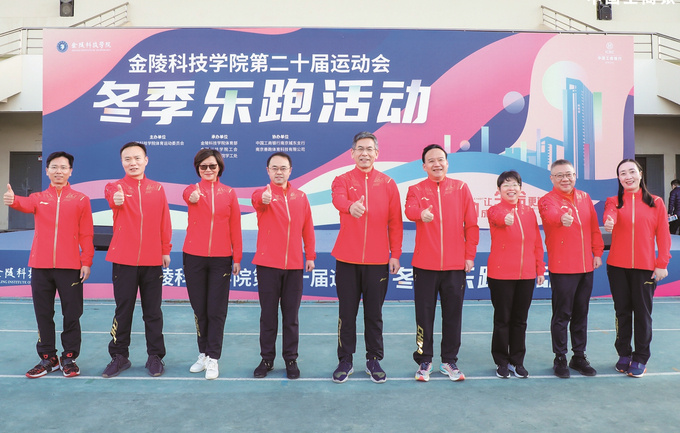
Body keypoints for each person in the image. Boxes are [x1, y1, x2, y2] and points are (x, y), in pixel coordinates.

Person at [4, 151, 94, 378]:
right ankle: (48, 358)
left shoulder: (81, 199)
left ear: (70, 171)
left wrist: (86, 261)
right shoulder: (38, 198)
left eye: (63, 167)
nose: (58, 171)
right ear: (47, 171)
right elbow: (24, 204)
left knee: (71, 314)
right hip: (40, 267)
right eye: (54, 167)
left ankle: (69, 357)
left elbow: (86, 234)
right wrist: (13, 200)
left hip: (70, 267)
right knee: (43, 314)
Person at [330, 131, 403, 384]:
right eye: (360, 149)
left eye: (369, 149)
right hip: (347, 259)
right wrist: (350, 206)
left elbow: (395, 222)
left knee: (374, 314)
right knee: (346, 312)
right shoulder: (342, 180)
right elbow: (338, 199)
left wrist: (395, 254)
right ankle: (345, 360)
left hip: (378, 261)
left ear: (377, 153)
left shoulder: (388, 183)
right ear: (352, 154)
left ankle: (374, 359)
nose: (364, 153)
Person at [404, 144, 479, 382]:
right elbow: (409, 210)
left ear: (447, 163)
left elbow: (472, 224)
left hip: (455, 266)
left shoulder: (461, 188)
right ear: (424, 166)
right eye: (431, 161)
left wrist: (469, 255)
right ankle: (423, 360)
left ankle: (449, 361)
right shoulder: (416, 189)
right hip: (425, 265)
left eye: (440, 160)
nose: (437, 164)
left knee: (453, 315)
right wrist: (421, 214)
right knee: (424, 316)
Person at [102, 142, 172, 378]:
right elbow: (112, 198)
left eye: (137, 158)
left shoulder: (157, 188)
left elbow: (164, 220)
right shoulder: (115, 187)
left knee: (153, 312)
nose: (133, 163)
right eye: (127, 159)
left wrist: (165, 249)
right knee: (123, 310)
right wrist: (116, 199)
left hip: (152, 260)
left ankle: (155, 356)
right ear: (122, 162)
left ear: (146, 160)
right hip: (124, 259)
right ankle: (119, 356)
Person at [603, 159, 672, 377]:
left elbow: (663, 235)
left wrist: (662, 264)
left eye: (632, 171)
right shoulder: (614, 201)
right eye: (623, 173)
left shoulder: (656, 202)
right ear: (619, 178)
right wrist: (609, 221)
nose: (628, 176)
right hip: (617, 268)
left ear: (640, 174)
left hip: (645, 268)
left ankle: (641, 357)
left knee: (642, 314)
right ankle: (624, 353)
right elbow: (610, 214)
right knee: (622, 312)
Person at [251, 152, 316, 380]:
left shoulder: (301, 197)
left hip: (294, 266)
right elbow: (258, 200)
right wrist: (264, 199)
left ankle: (291, 359)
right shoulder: (263, 194)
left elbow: (307, 227)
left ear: (290, 171)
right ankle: (267, 359)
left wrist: (310, 255)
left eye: (283, 168)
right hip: (268, 265)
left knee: (291, 317)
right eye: (275, 168)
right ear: (268, 171)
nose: (279, 172)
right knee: (268, 316)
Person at [538, 159, 603, 379]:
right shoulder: (547, 200)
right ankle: (560, 357)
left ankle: (579, 356)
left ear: (575, 176)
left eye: (569, 174)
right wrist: (561, 218)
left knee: (581, 313)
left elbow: (594, 228)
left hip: (586, 266)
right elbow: (550, 215)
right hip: (563, 267)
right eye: (559, 175)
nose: (565, 179)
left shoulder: (585, 197)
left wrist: (597, 252)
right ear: (552, 178)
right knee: (562, 315)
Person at [183, 149, 242, 380]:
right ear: (198, 169)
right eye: (203, 166)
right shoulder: (192, 190)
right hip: (193, 257)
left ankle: (213, 358)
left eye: (212, 166)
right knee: (199, 309)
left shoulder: (229, 193)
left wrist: (237, 257)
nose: (208, 170)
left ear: (219, 168)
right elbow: (187, 195)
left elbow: (235, 226)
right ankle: (203, 354)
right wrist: (192, 196)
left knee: (216, 310)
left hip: (221, 259)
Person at [486, 170, 544, 379]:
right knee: (502, 319)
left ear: (521, 188)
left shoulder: (529, 212)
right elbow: (497, 218)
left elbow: (537, 242)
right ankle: (501, 361)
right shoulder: (494, 210)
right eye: (506, 185)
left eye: (514, 185)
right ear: (499, 190)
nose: (511, 189)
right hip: (501, 275)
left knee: (520, 320)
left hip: (526, 274)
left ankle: (517, 361)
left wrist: (539, 268)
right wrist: (506, 218)